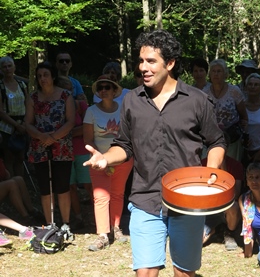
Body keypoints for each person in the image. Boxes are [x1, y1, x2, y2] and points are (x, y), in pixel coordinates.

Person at [83, 29, 226, 277]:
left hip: (186, 199)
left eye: (151, 61)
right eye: (141, 61)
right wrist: (105, 158)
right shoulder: (132, 101)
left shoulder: (196, 100)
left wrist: (212, 171)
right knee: (145, 272)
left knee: (183, 273)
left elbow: (216, 141)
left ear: (169, 64)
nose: (143, 68)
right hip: (144, 198)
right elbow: (124, 145)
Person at [83, 75, 133, 251]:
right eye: (101, 88)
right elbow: (88, 139)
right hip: (98, 159)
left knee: (118, 194)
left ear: (114, 91)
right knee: (101, 196)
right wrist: (102, 158)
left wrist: (114, 158)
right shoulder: (91, 111)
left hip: (122, 160)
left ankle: (116, 228)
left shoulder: (123, 110)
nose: (103, 90)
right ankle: (103, 235)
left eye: (107, 87)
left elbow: (129, 136)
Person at [25, 61, 75, 234]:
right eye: (39, 76)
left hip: (62, 147)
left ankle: (66, 222)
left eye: (45, 75)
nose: (42, 79)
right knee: (45, 187)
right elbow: (28, 123)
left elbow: (71, 121)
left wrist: (53, 137)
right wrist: (42, 137)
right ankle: (49, 223)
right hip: (39, 147)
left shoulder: (65, 95)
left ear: (53, 76)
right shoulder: (33, 98)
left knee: (62, 185)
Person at [57, 76, 92, 231]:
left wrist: (62, 133)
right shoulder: (55, 106)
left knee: (89, 185)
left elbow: (87, 128)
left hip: (82, 150)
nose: (67, 91)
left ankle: (97, 217)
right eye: (64, 88)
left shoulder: (81, 105)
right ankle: (78, 218)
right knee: (70, 186)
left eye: (70, 88)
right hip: (63, 151)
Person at [202, 133, 243, 251]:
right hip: (208, 208)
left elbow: (235, 193)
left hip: (227, 206)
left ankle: (229, 232)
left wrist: (223, 169)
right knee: (198, 242)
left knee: (233, 207)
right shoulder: (202, 163)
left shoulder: (235, 165)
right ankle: (215, 229)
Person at [203, 59, 248, 161]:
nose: (216, 74)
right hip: (211, 138)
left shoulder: (234, 91)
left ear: (225, 74)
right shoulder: (204, 92)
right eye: (213, 71)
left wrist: (244, 136)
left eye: (219, 71)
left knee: (231, 168)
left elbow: (244, 116)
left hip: (232, 138)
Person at [0, 56, 27, 177]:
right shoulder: (0, 87)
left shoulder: (22, 85)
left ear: (14, 67)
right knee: (9, 158)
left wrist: (25, 124)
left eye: (9, 66)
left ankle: (21, 186)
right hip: (6, 127)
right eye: (4, 67)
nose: (7, 69)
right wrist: (16, 125)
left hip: (22, 126)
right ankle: (11, 187)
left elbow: (28, 104)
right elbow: (0, 111)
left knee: (20, 158)